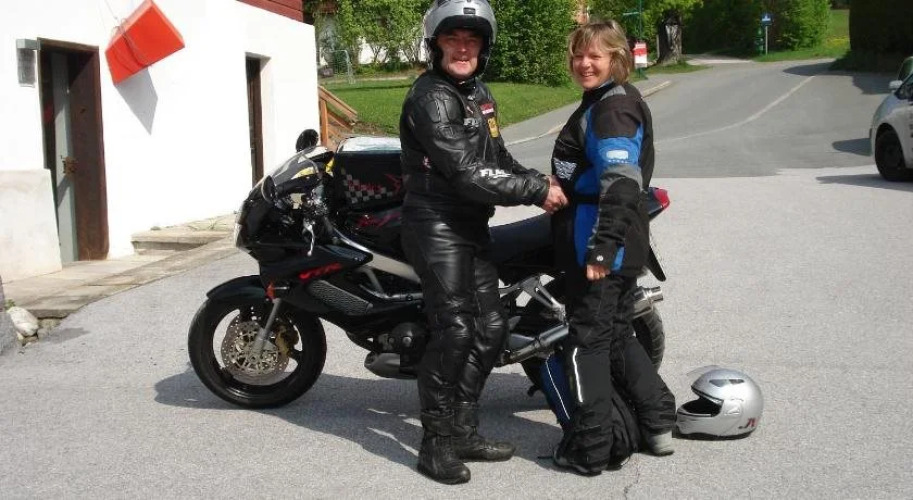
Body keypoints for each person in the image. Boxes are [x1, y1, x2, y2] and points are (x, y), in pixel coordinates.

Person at [398, 0, 567, 485]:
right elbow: (467, 173)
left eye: (471, 40)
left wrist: (541, 179)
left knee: (491, 327)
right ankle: (435, 444)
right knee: (455, 330)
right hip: (435, 226)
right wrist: (536, 191)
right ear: (436, 45)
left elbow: (496, 155)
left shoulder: (478, 93)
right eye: (452, 39)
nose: (462, 48)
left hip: (469, 225)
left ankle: (464, 430)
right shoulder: (431, 98)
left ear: (483, 47)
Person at [548, 20, 676, 475]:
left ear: (616, 59)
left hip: (603, 245)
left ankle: (591, 449)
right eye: (578, 55)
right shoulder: (602, 101)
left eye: (595, 56)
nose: (584, 63)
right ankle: (659, 424)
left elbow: (621, 183)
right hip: (614, 239)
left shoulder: (614, 108)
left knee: (586, 345)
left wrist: (601, 251)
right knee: (618, 334)